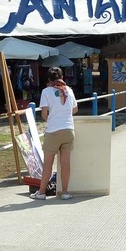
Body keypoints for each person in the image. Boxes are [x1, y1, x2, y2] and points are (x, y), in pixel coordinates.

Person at [30, 67, 79, 201]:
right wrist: (64, 114)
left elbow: (44, 113)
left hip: (53, 131)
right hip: (68, 129)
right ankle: (65, 192)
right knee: (65, 163)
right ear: (62, 77)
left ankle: (41, 192)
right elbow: (75, 109)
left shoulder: (46, 92)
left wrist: (52, 118)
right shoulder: (68, 90)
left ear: (48, 79)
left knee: (48, 164)